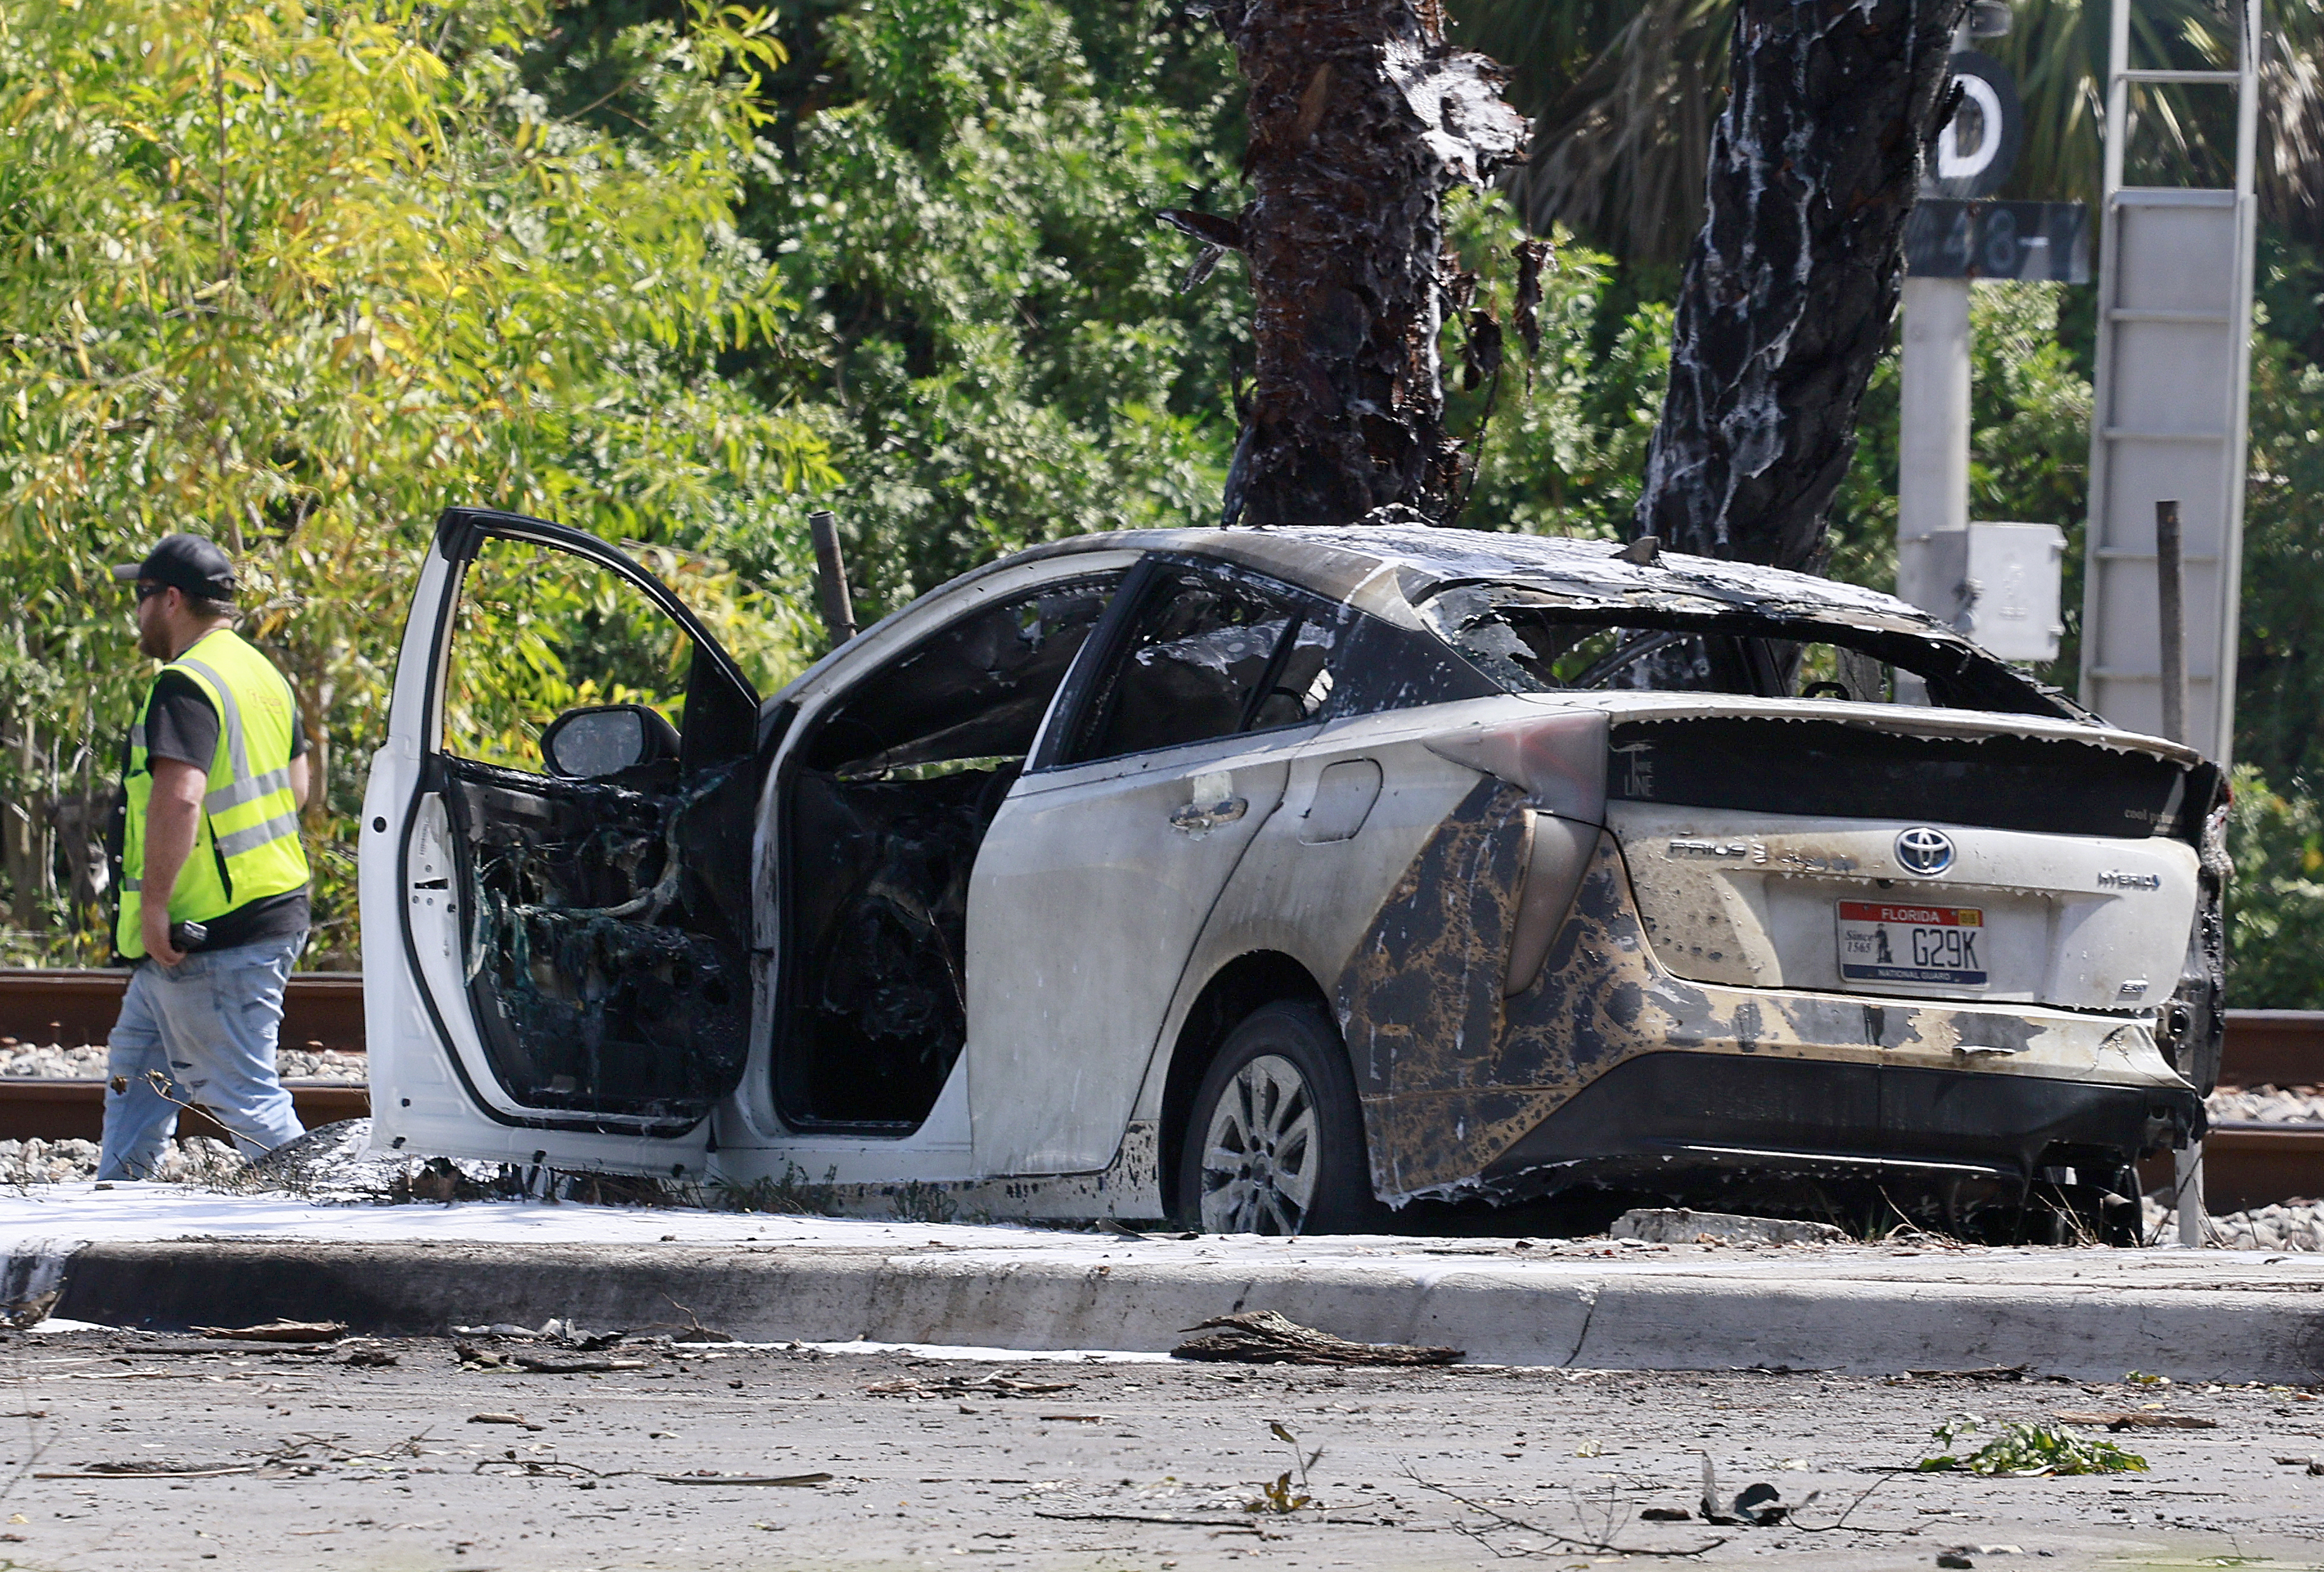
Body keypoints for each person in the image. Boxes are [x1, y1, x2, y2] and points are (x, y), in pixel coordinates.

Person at [97, 534, 313, 1180]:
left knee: (240, 1095)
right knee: (137, 1071)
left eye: (141, 599)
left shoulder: (185, 683)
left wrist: (157, 903)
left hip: (210, 932)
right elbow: (298, 785)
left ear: (170, 599)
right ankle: (117, 1203)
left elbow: (180, 797)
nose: (137, 615)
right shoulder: (261, 674)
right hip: (261, 907)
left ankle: (320, 1227)